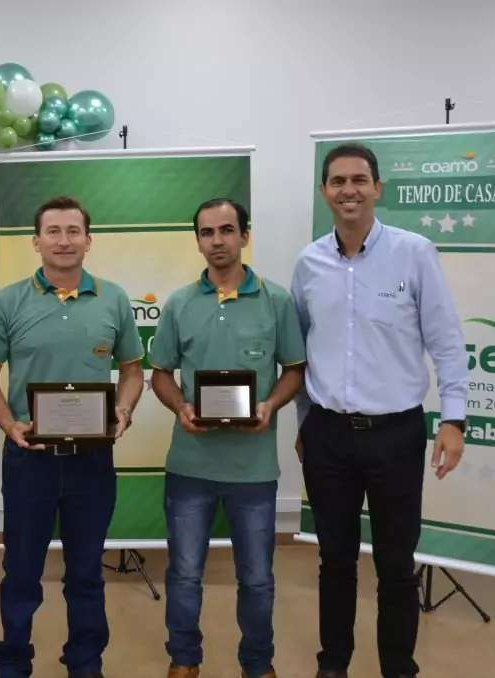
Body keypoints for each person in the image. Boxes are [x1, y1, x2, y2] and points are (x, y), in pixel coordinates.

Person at [290, 143, 469, 678]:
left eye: (359, 180)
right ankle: (333, 665)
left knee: (395, 564)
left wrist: (454, 419)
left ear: (377, 188)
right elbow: (300, 350)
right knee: (335, 561)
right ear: (324, 191)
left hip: (396, 435)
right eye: (338, 181)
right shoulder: (309, 263)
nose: (349, 190)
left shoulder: (414, 253)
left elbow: (447, 341)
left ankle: (398, 667)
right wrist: (303, 422)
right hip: (328, 435)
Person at [0, 196, 145, 678]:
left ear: (89, 240)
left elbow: (133, 371)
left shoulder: (113, 299)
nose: (64, 240)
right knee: (21, 572)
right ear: (36, 241)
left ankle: (86, 663)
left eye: (73, 231)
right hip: (29, 459)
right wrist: (9, 425)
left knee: (86, 572)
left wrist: (123, 411)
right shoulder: (7, 301)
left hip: (92, 460)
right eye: (53, 231)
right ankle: (13, 661)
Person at [148, 198, 308, 678]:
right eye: (207, 232)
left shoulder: (276, 300)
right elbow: (161, 374)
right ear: (197, 241)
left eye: (226, 230)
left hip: (253, 470)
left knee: (256, 579)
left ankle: (257, 664)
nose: (217, 240)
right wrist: (180, 406)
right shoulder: (179, 303)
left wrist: (269, 405)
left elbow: (294, 370)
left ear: (244, 236)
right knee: (184, 574)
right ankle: (183, 660)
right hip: (189, 466)